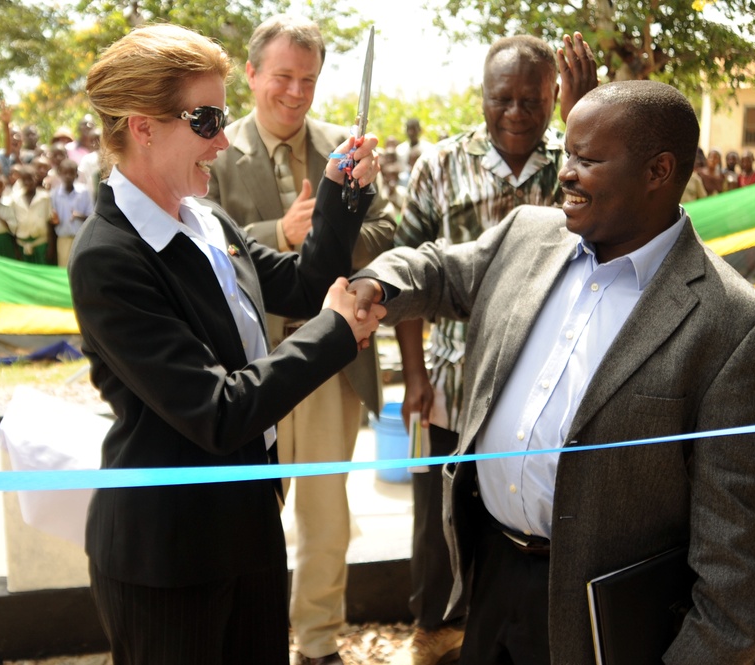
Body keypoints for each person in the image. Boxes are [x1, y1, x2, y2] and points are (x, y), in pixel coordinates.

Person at [349, 80, 755, 664]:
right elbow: (441, 271)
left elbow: (735, 565)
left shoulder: (734, 326)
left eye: (587, 159)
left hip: (599, 619)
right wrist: (378, 286)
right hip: (491, 575)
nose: (566, 173)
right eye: (568, 154)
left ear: (658, 171)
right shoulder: (531, 234)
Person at [69, 23, 383, 665]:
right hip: (171, 558)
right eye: (206, 119)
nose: (221, 138)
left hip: (246, 527)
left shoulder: (205, 219)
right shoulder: (110, 259)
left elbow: (300, 285)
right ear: (143, 126)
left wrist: (341, 194)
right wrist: (336, 335)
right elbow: (217, 411)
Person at [390, 31, 596, 665]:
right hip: (455, 375)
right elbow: (411, 266)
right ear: (481, 97)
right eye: (501, 98)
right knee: (440, 508)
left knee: (520, 507)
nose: (515, 113)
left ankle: (504, 627)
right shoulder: (439, 165)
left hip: (545, 375)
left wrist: (584, 125)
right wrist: (415, 375)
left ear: (554, 97)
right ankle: (434, 629)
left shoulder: (579, 160)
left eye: (532, 100)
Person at [204, 15, 395, 665]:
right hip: (247, 368)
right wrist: (277, 233)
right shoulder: (212, 150)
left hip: (329, 360)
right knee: (249, 516)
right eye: (282, 76)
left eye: (307, 79)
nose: (294, 92)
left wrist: (350, 208)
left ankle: (318, 641)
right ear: (251, 74)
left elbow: (388, 237)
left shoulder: (348, 148)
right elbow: (201, 246)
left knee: (325, 514)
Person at [49, 158, 93, 266]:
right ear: (60, 174)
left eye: (71, 173)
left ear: (76, 175)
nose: (68, 176)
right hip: (63, 239)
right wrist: (54, 220)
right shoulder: (55, 194)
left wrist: (79, 215)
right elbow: (52, 218)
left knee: (80, 268)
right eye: (65, 173)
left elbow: (92, 216)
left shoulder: (84, 192)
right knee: (64, 269)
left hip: (81, 238)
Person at [10, 164, 53, 264]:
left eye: (30, 179)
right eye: (24, 180)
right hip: (22, 244)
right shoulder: (15, 199)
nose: (27, 182)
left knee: (41, 273)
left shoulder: (45, 198)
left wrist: (51, 247)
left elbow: (49, 223)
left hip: (41, 244)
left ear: (36, 177)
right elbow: (13, 226)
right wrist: (16, 249)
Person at [395, 118, 433, 184]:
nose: (411, 133)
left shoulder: (428, 148)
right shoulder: (400, 149)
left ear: (419, 130)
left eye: (414, 129)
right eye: (409, 129)